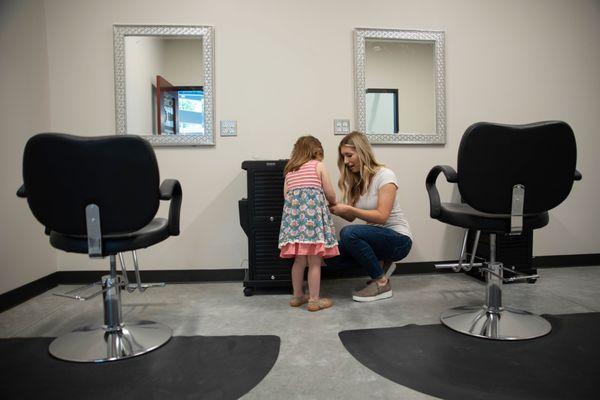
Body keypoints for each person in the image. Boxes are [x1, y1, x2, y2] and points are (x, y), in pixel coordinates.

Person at [328, 131, 412, 302]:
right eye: (343, 157)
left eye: (349, 155)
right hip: (377, 238)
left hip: (399, 240)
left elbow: (381, 217)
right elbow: (351, 218)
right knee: (332, 256)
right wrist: (334, 208)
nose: (346, 161)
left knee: (348, 233)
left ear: (362, 151)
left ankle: (381, 282)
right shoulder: (357, 182)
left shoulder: (385, 176)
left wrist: (350, 210)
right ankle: (380, 268)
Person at [278, 135, 339, 312]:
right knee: (314, 262)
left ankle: (297, 296)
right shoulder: (318, 166)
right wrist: (333, 201)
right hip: (312, 224)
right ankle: (314, 300)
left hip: (295, 224)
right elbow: (330, 192)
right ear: (317, 151)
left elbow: (286, 197)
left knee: (298, 261)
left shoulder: (290, 171)